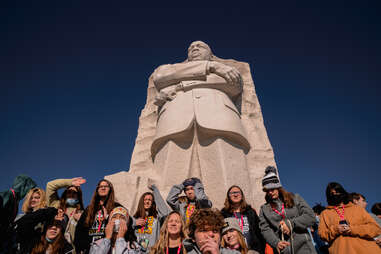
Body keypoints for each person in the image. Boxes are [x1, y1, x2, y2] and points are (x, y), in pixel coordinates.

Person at [151, 40, 254, 208]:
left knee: (229, 175)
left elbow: (232, 84)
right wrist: (210, 68)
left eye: (200, 46)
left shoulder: (226, 68)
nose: (194, 48)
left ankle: (233, 220)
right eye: (191, 47)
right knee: (168, 177)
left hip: (220, 117)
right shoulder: (170, 68)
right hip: (174, 120)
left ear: (211, 54)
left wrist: (180, 85)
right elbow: (160, 78)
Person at [258, 166, 317, 254]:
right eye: (267, 190)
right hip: (284, 250)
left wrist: (290, 223)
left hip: (305, 248)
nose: (270, 192)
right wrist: (276, 243)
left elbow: (311, 217)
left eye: (272, 189)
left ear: (278, 187)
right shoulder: (264, 209)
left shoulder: (295, 198)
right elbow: (265, 229)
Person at [318, 182, 381, 254]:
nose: (335, 194)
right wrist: (336, 229)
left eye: (337, 192)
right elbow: (322, 234)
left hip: (368, 250)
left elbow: (375, 228)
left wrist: (352, 229)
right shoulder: (325, 213)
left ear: (342, 192)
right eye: (331, 194)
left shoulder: (357, 209)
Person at [75, 179, 120, 254]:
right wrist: (81, 247)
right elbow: (79, 230)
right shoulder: (89, 209)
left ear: (110, 189)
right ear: (97, 190)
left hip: (108, 249)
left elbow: (121, 226)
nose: (103, 188)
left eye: (106, 186)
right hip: (89, 249)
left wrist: (108, 218)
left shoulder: (116, 207)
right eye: (100, 186)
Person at [221, 186, 264, 254]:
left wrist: (260, 249)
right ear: (228, 197)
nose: (235, 194)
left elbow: (258, 232)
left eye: (238, 192)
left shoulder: (250, 212)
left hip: (253, 250)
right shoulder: (223, 214)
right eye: (232, 193)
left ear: (242, 196)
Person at [0, 174, 37, 253]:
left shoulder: (15, 201)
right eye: (28, 189)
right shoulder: (8, 194)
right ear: (22, 186)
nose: (28, 194)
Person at [46, 177, 86, 245]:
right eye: (69, 192)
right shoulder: (55, 205)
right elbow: (50, 185)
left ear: (78, 196)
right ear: (65, 194)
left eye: (74, 193)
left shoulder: (82, 213)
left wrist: (82, 221)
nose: (71, 194)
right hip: (53, 247)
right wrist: (70, 182)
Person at [133, 184, 171, 251]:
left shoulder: (157, 217)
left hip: (153, 251)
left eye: (150, 200)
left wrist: (155, 191)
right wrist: (134, 223)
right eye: (145, 200)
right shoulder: (135, 218)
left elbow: (166, 212)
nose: (147, 202)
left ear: (153, 202)